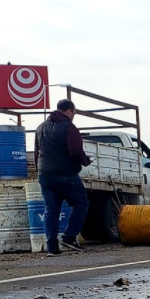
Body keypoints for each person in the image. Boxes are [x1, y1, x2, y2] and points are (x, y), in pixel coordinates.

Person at [35, 98, 92, 255]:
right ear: (69, 111)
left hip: (45, 175)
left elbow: (37, 153)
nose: (73, 116)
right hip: (66, 174)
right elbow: (75, 150)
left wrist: (40, 171)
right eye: (73, 113)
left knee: (51, 210)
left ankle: (52, 247)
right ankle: (69, 237)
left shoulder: (40, 127)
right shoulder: (69, 127)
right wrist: (85, 161)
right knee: (81, 204)